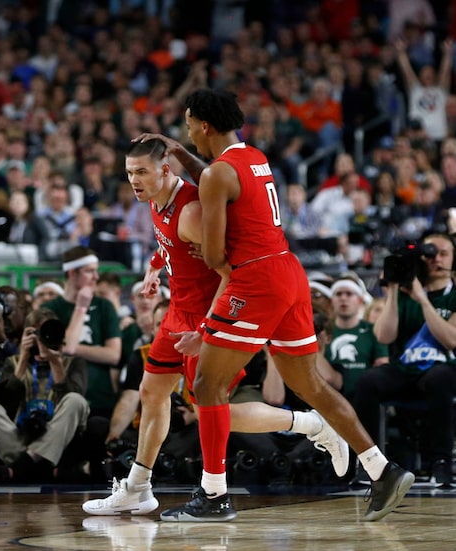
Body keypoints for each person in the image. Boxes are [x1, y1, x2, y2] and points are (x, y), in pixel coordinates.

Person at [148, 89, 410, 522]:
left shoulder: (216, 176)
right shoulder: (253, 157)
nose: (187, 130)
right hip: (289, 272)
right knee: (310, 385)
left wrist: (210, 280)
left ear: (204, 125)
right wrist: (181, 156)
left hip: (255, 279)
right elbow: (218, 180)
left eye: (189, 123)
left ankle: (214, 496)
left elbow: (213, 255)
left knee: (208, 388)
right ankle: (382, 469)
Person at [83, 135, 352, 517]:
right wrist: (154, 268)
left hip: (208, 317)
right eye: (129, 173)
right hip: (178, 310)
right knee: (152, 390)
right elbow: (166, 242)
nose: (134, 181)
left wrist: (207, 329)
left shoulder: (192, 212)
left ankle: (310, 423)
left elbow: (231, 273)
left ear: (165, 169)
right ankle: (138, 488)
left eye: (141, 172)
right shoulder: (155, 199)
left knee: (215, 410)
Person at [354, 232, 456, 485]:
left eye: (444, 254)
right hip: (407, 368)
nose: (437, 260)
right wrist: (394, 292)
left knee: (439, 378)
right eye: (431, 254)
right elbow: (383, 336)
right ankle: (371, 460)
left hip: (445, 367)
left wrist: (422, 300)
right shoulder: (404, 292)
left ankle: (440, 462)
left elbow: (451, 340)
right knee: (368, 381)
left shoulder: (452, 295)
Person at [0, 307, 89, 483]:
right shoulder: (13, 362)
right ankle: (40, 465)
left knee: (75, 401)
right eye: (37, 333)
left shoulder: (74, 362)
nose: (42, 338)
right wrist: (23, 358)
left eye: (47, 332)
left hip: (59, 436)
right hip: (19, 434)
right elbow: (5, 403)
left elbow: (76, 402)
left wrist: (55, 362)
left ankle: (18, 469)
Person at [42, 247, 121, 419]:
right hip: (61, 397)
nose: (96, 277)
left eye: (96, 271)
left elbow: (114, 355)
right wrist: (81, 308)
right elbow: (59, 349)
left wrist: (67, 348)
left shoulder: (104, 306)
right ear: (72, 273)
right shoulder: (49, 309)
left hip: (101, 399)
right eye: (90, 271)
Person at [324, 278, 389, 401]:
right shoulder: (323, 332)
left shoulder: (374, 330)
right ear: (331, 301)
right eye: (338, 294)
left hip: (366, 399)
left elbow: (382, 365)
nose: (343, 298)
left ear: (360, 300)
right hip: (330, 398)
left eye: (349, 294)